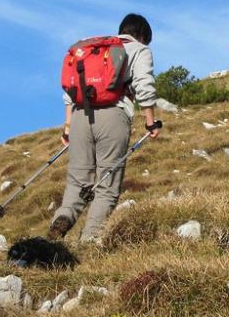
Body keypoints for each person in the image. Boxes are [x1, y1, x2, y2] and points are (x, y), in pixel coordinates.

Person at [48, 13, 160, 242]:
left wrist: (67, 126)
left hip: (80, 116)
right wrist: (151, 121)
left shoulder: (96, 48)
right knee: (107, 185)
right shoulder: (138, 49)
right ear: (142, 35)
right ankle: (88, 243)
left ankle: (63, 218)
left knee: (78, 180)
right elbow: (143, 83)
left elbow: (70, 91)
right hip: (113, 116)